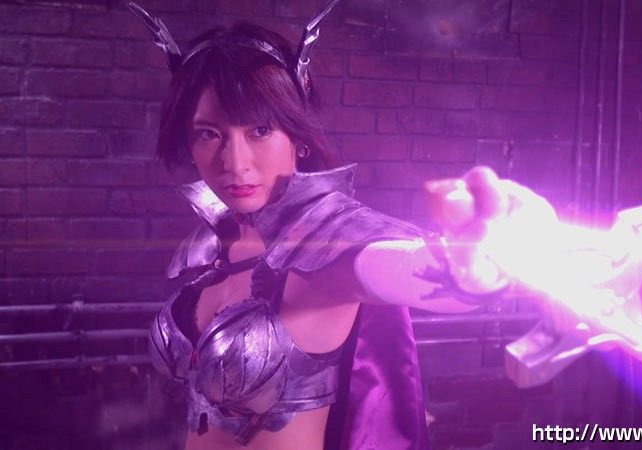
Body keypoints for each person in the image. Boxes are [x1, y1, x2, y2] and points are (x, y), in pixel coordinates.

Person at [130, 2, 546, 449]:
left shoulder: (327, 240)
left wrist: (472, 266)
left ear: (297, 134)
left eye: (260, 130)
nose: (235, 162)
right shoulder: (210, 246)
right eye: (209, 133)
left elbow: (397, 267)